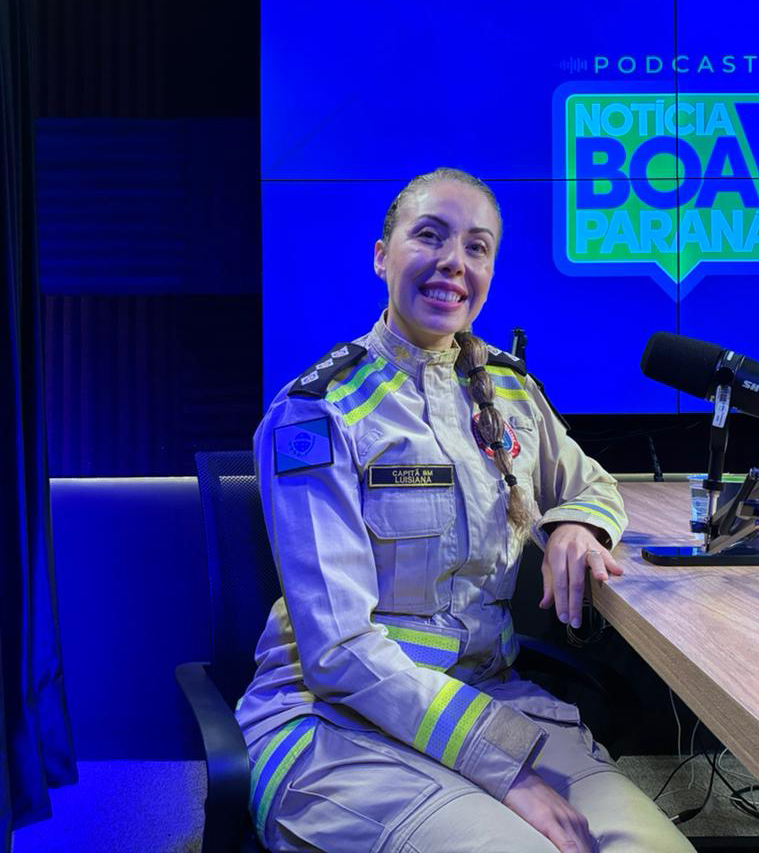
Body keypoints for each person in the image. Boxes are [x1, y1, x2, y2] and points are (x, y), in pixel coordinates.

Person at [238, 167, 694, 853]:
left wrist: (577, 523)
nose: (454, 261)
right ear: (382, 256)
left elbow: (592, 483)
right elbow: (339, 654)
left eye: (476, 247)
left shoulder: (508, 391)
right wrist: (504, 771)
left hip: (494, 699)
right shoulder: (316, 413)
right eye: (430, 235)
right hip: (338, 724)